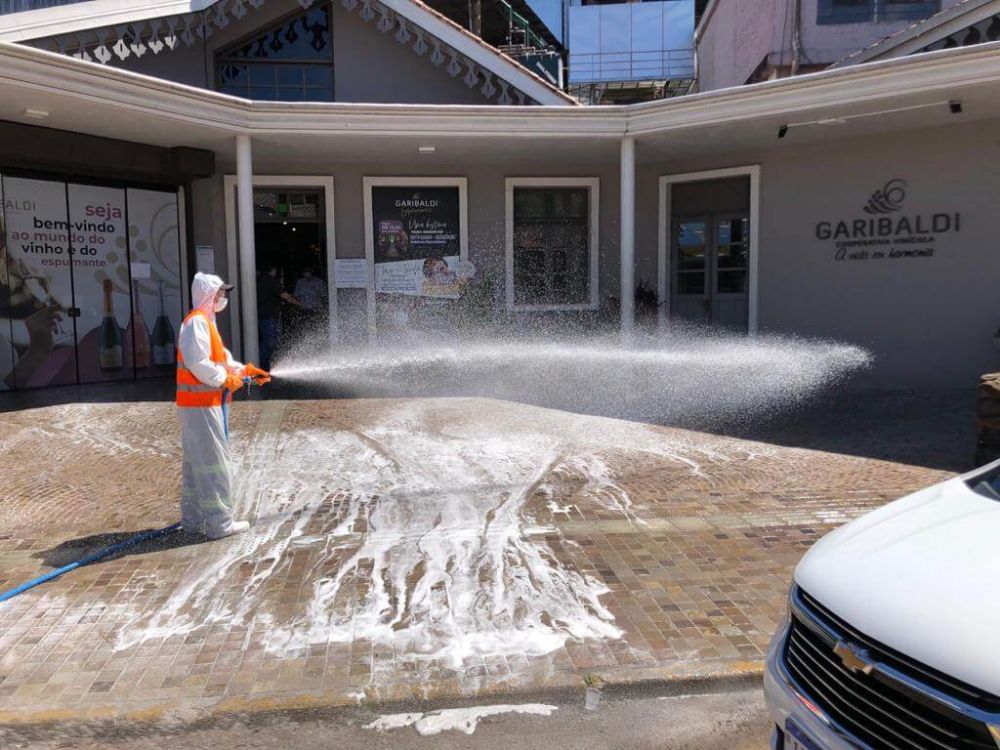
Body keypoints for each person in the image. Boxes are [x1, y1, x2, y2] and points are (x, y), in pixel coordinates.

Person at [177, 272, 270, 540]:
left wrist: (246, 371)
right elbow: (199, 364)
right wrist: (225, 380)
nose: (224, 298)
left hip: (203, 403)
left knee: (197, 464)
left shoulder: (206, 323)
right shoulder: (196, 323)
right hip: (201, 404)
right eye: (220, 293)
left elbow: (220, 361)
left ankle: (193, 521)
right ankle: (220, 523)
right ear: (209, 296)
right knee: (213, 463)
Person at [256, 265, 304, 371]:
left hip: (262, 315)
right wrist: (299, 304)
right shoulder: (271, 281)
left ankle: (264, 364)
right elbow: (285, 296)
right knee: (269, 341)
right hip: (269, 316)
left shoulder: (260, 281)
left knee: (267, 339)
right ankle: (263, 367)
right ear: (273, 270)